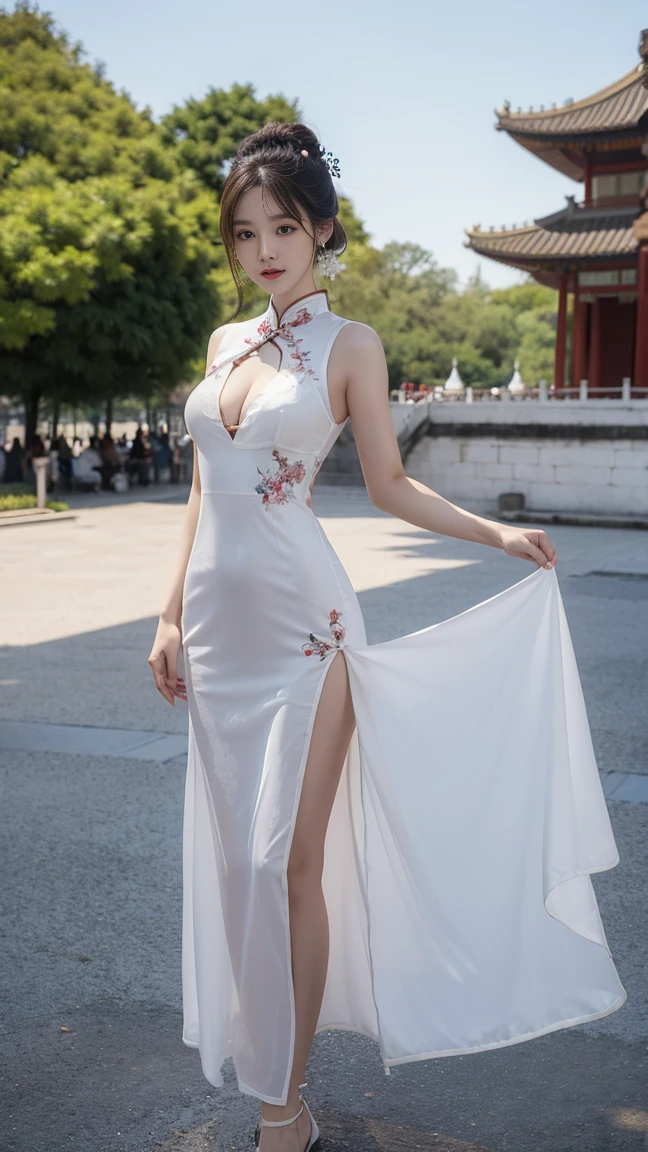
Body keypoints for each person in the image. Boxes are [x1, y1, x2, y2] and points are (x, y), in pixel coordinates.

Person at [147, 122, 625, 1152]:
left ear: (320, 229)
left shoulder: (350, 344)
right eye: (244, 232)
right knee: (238, 868)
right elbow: (201, 484)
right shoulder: (226, 344)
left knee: (287, 863)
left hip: (306, 632)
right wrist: (168, 611)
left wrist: (495, 529)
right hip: (218, 638)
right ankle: (280, 1078)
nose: (264, 248)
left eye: (283, 227)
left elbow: (388, 482)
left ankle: (286, 1102)